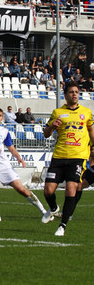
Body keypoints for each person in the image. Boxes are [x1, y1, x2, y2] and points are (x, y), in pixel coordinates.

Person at [42, 81, 94, 236]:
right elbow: (46, 134)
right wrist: (52, 126)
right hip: (59, 156)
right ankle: (53, 208)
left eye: (77, 92)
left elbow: (91, 130)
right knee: (48, 191)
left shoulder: (86, 112)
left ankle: (62, 226)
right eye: (71, 92)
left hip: (78, 157)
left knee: (71, 189)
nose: (75, 94)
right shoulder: (57, 112)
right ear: (65, 95)